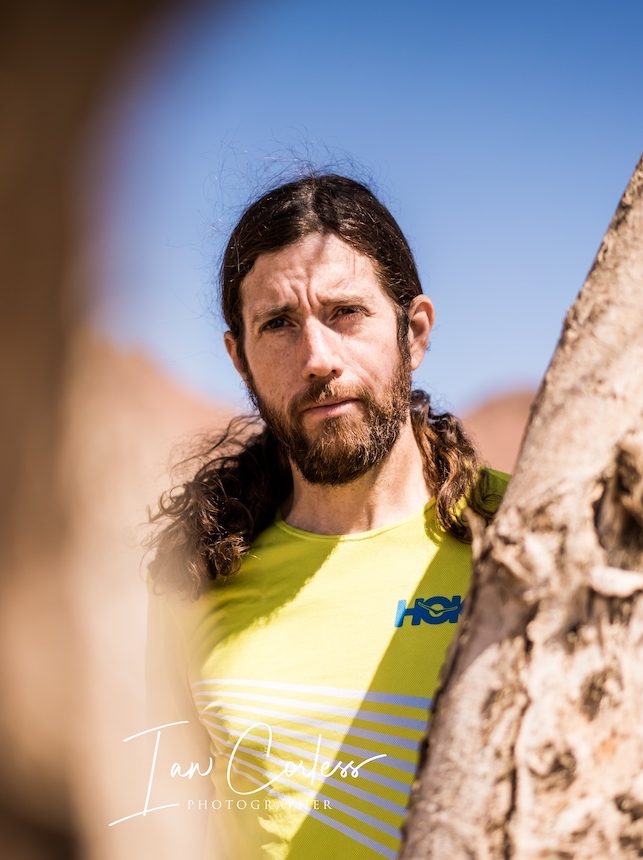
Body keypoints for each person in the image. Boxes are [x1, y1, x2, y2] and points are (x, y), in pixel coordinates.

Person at [145, 173, 508, 859]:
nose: (317, 359)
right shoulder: (194, 577)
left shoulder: (524, 534)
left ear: (413, 333)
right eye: (278, 324)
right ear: (240, 359)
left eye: (345, 312)